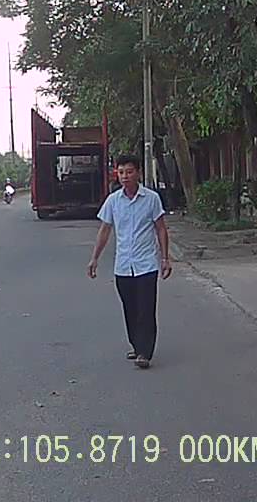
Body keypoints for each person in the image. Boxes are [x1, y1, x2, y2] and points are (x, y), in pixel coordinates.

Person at [87, 154, 171, 369]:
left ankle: (145, 352)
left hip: (146, 264)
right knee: (130, 308)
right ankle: (136, 344)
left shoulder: (151, 199)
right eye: (121, 172)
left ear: (138, 173)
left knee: (146, 308)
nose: (125, 176)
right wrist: (94, 258)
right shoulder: (113, 201)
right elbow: (105, 230)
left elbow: (161, 228)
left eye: (129, 172)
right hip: (123, 265)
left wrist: (165, 258)